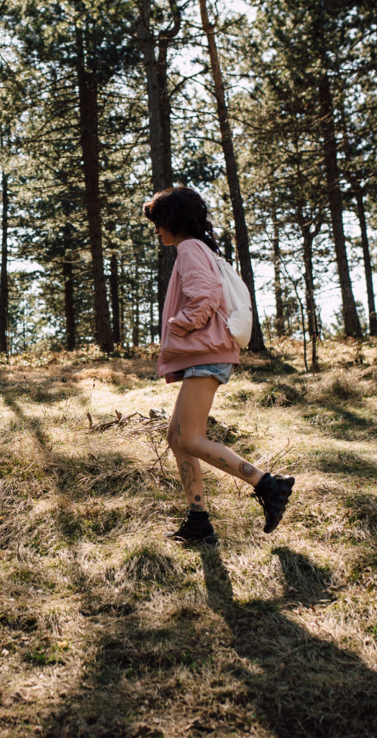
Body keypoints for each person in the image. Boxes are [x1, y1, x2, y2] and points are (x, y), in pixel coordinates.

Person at [143, 187, 294, 544]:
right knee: (176, 437)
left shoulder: (190, 248)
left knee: (191, 438)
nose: (156, 230)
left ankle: (267, 484)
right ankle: (199, 521)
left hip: (206, 353)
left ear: (173, 220)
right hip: (206, 353)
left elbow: (206, 294)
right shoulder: (198, 248)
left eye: (158, 222)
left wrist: (178, 324)